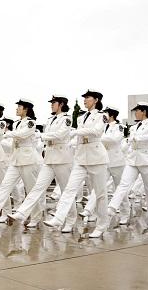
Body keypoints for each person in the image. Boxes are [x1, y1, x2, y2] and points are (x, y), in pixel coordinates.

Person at [44, 90, 112, 237]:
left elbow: (96, 131)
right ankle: (58, 218)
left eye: (88, 98)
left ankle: (101, 226)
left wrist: (77, 132)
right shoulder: (81, 117)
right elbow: (80, 137)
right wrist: (71, 142)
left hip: (96, 157)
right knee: (69, 189)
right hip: (81, 157)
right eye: (85, 98)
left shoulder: (103, 116)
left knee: (100, 194)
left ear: (96, 100)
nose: (85, 100)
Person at [10, 95, 73, 231]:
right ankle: (22, 213)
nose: (51, 105)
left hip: (62, 158)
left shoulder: (67, 119)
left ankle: (70, 220)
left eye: (54, 103)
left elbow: (61, 134)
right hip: (49, 158)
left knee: (66, 191)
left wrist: (41, 136)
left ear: (61, 104)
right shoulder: (50, 120)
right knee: (37, 187)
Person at [0, 99, 43, 224]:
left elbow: (23, 134)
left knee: (31, 190)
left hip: (27, 159)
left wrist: (8, 134)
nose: (17, 109)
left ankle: (35, 218)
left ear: (26, 109)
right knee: (4, 186)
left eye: (19, 107)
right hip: (16, 159)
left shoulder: (31, 123)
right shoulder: (17, 123)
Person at [107, 102, 148, 229]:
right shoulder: (134, 127)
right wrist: (132, 140)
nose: (135, 113)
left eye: (137, 111)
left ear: (144, 112)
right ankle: (112, 208)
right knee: (123, 184)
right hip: (132, 160)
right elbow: (129, 142)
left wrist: (135, 138)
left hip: (146, 161)